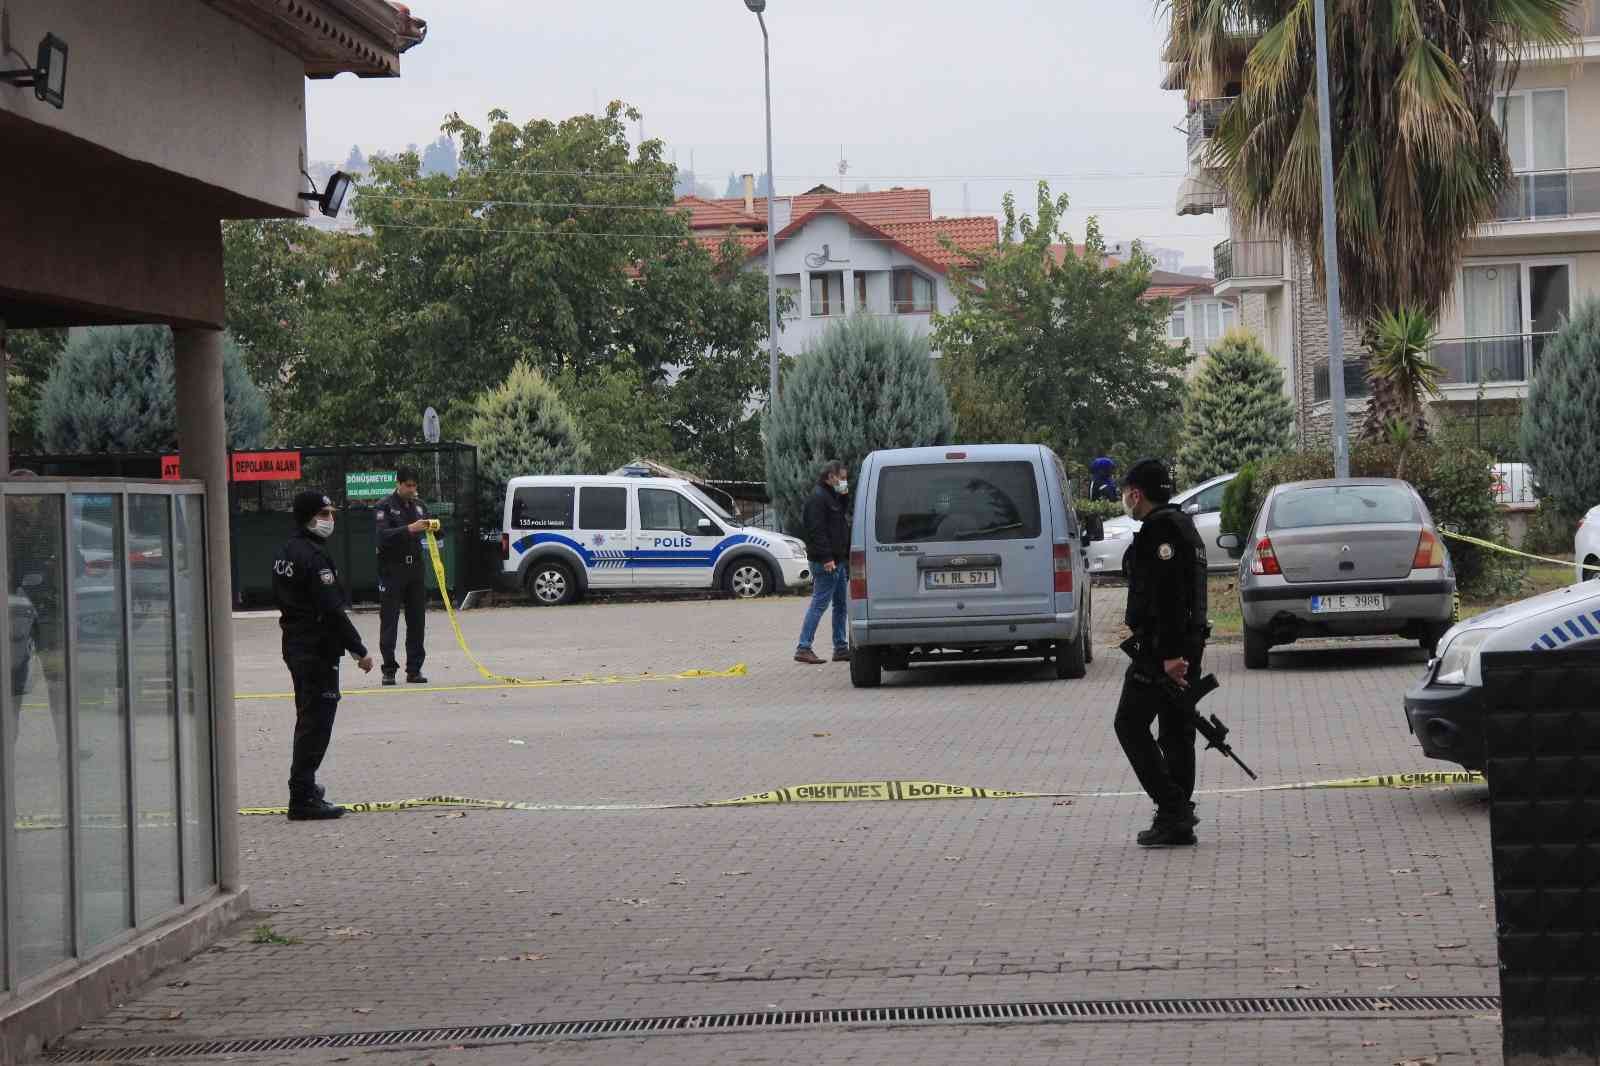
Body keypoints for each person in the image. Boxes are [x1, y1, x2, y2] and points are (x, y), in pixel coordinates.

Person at [1113, 458, 1208, 847]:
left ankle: (1172, 808)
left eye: (1126, 493)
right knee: (1175, 731)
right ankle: (1176, 821)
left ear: (1136, 493)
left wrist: (1169, 655)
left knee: (1130, 725)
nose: (1125, 500)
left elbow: (1168, 597)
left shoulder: (1161, 531)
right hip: (1185, 646)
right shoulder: (1183, 525)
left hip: (1162, 651)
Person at [273, 491, 374, 820]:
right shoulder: (314, 557)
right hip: (316, 650)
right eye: (324, 513)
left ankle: (305, 786)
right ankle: (302, 797)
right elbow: (331, 610)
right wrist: (359, 649)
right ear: (309, 516)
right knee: (316, 723)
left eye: (331, 512)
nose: (330, 519)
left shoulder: (288, 550)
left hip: (296, 644)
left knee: (308, 717)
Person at [374, 468, 431, 686]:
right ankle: (389, 669)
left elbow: (433, 529)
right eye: (408, 485)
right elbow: (382, 537)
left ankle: (414, 670)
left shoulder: (419, 506)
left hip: (415, 569)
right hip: (392, 570)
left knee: (417, 621)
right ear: (398, 484)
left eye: (415, 485)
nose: (412, 489)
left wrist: (434, 527)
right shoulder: (385, 506)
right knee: (389, 621)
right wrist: (409, 529)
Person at [794, 459, 851, 665]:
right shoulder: (818, 499)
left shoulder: (832, 497)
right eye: (842, 478)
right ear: (831, 477)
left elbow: (839, 518)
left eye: (846, 479)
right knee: (820, 604)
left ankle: (841, 647)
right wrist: (827, 558)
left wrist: (844, 496)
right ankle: (804, 647)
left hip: (838, 560)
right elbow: (817, 531)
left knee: (841, 605)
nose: (844, 482)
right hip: (826, 562)